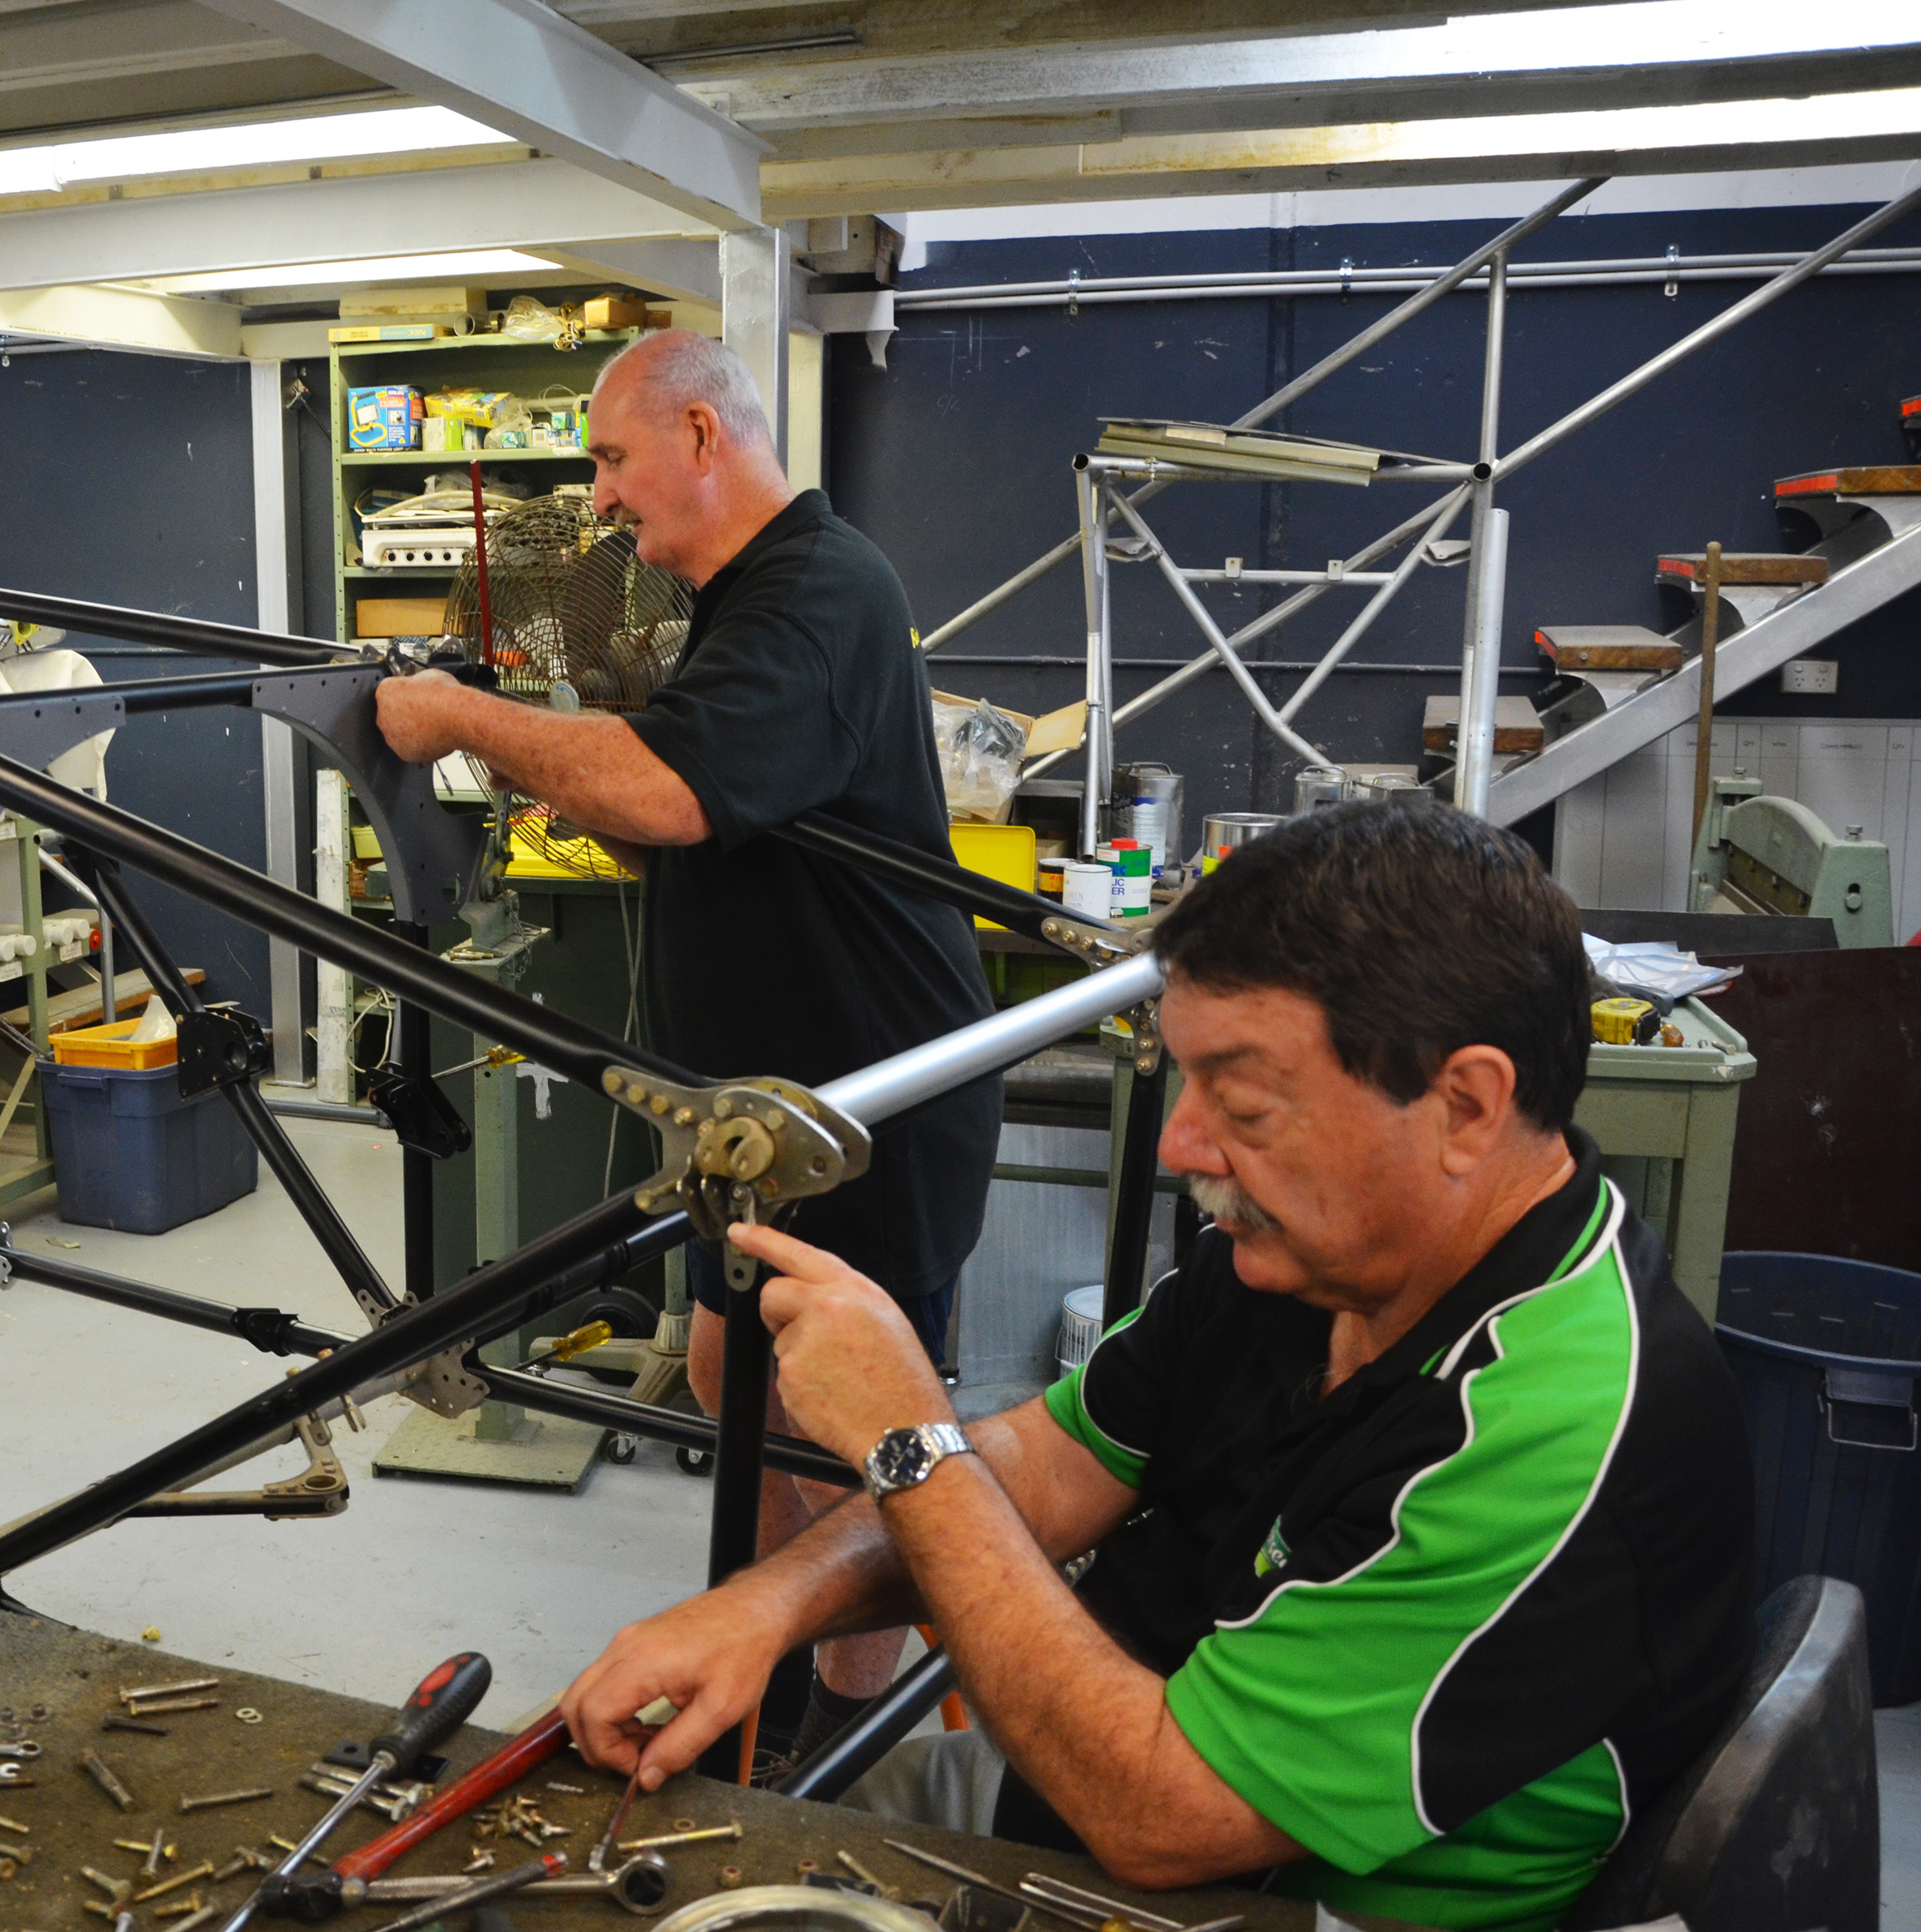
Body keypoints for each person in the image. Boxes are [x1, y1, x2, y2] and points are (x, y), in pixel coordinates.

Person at [557, 802, 1756, 1932]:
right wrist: (766, 1606)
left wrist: (911, 1438)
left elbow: (1160, 1814)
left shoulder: (1550, 1416)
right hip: (1083, 1783)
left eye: (1243, 1101)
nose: (1183, 1143)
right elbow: (1038, 1466)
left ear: (1466, 1105)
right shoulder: (1305, 1263)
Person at [377, 328, 1003, 1766]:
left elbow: (673, 791)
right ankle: (783, 1651)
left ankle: (851, 1739)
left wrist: (465, 717)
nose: (599, 501)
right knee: (732, 1380)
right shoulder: (733, 599)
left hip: (867, 1112)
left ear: (705, 438)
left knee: (847, 1433)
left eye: (610, 458)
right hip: (764, 1123)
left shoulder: (818, 591)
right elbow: (680, 782)